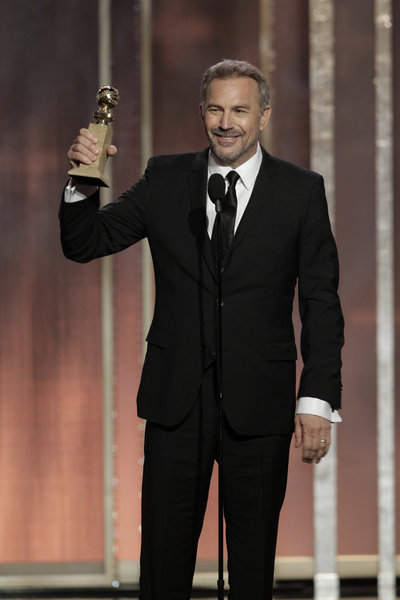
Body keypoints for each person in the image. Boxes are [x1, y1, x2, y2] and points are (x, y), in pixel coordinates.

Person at [60, 59, 344, 600]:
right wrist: (82, 179)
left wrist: (316, 398)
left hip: (259, 402)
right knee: (164, 566)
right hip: (177, 401)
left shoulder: (301, 190)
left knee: (253, 569)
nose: (226, 123)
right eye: (216, 109)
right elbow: (85, 243)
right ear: (201, 113)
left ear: (263, 115)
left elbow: (321, 301)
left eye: (239, 110)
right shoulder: (166, 178)